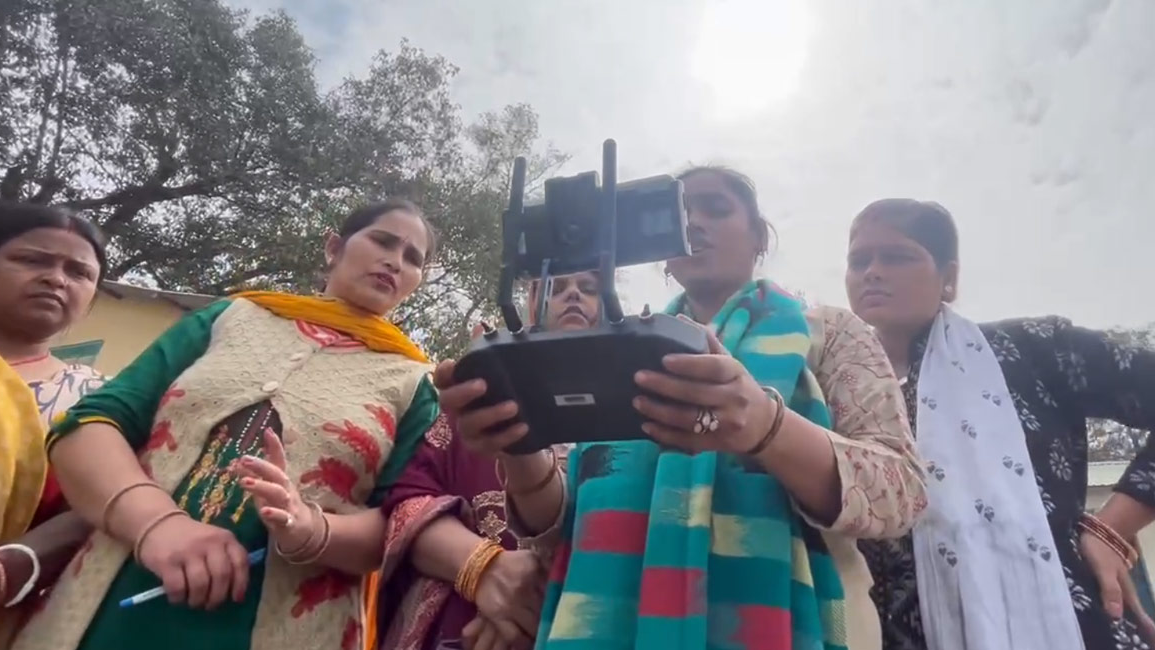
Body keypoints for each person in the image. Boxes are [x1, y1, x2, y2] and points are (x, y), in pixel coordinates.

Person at [436, 166, 928, 650]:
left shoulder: (827, 333)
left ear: (759, 237)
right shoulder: (619, 347)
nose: (695, 222)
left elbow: (901, 493)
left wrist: (766, 426)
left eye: (716, 208)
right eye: (680, 212)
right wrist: (519, 447)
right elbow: (564, 532)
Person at [9, 199, 441, 650]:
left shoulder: (413, 383)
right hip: (118, 587)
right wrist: (157, 525)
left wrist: (309, 528)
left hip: (287, 623)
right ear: (334, 247)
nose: (395, 261)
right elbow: (89, 424)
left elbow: (401, 524)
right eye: (383, 241)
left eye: (413, 258)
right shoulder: (231, 318)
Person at [846, 198, 1155, 650]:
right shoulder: (833, 393)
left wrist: (1111, 528)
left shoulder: (1033, 351)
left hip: (1070, 626)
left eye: (896, 256)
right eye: (859, 261)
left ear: (949, 278)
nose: (872, 272)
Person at [378, 271, 601, 650]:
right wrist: (482, 567)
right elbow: (406, 505)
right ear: (532, 304)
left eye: (590, 288)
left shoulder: (631, 412)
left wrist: (535, 595)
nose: (574, 295)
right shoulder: (479, 405)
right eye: (556, 287)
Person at [0, 203, 108, 649]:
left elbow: (92, 511)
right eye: (32, 260)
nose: (56, 279)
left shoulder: (99, 400)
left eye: (79, 272)